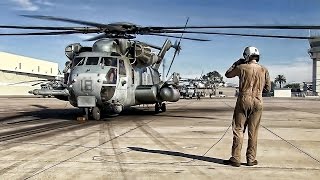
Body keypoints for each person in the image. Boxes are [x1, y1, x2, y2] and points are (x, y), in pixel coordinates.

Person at [223, 46, 271, 167]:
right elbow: (268, 89)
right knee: (253, 132)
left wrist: (236, 63)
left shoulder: (241, 67)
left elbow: (228, 74)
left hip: (244, 99)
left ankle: (235, 158)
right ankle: (251, 159)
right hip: (258, 100)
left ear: (246, 55)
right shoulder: (264, 70)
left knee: (238, 129)